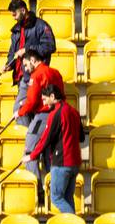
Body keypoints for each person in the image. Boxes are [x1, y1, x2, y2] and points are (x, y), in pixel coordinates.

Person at [16, 49, 65, 205]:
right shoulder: (56, 73)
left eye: (25, 64)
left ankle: (38, 191)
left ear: (32, 60)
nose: (25, 68)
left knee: (29, 151)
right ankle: (54, 191)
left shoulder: (36, 75)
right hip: (59, 115)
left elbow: (31, 101)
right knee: (50, 154)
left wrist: (19, 112)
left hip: (43, 116)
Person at [25, 84, 83, 215]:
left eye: (45, 100)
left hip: (62, 162)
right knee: (67, 198)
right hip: (75, 162)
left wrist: (31, 156)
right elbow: (81, 137)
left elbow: (45, 139)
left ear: (52, 96)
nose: (44, 104)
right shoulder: (74, 112)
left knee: (56, 198)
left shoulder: (55, 114)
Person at [7, 0, 57, 120]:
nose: (13, 17)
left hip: (36, 77)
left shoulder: (41, 26)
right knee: (26, 111)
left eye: (15, 14)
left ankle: (29, 137)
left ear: (23, 10)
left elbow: (50, 46)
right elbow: (12, 51)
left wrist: (27, 49)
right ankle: (30, 136)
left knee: (21, 111)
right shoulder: (16, 30)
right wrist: (9, 64)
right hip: (22, 77)